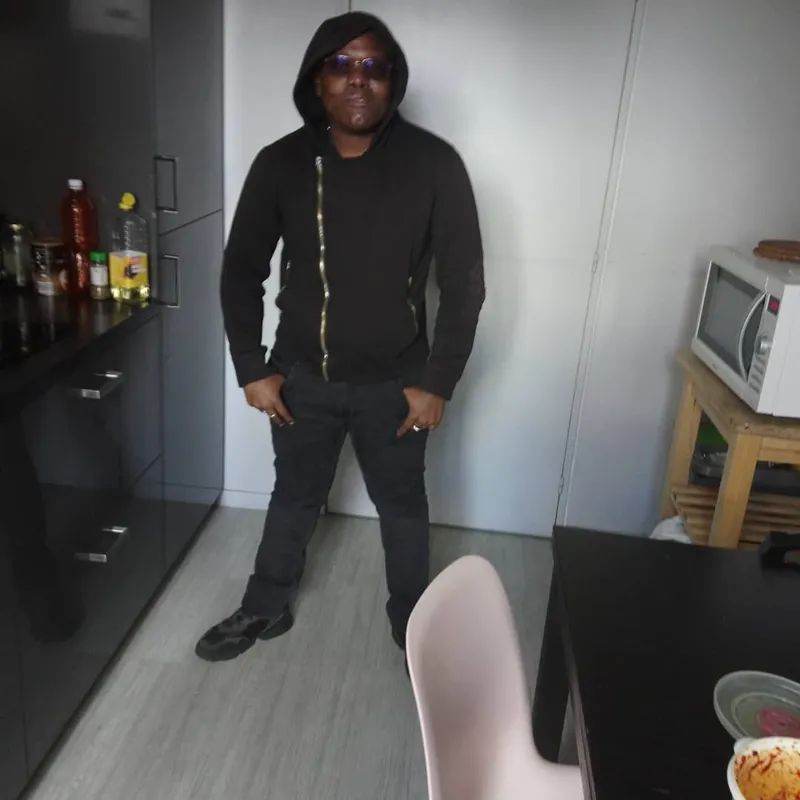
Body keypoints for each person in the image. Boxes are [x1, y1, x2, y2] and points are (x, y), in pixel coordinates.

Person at [196, 11, 484, 663]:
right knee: (294, 495)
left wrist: (437, 382)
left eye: (373, 66)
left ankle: (414, 625)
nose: (358, 79)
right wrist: (251, 367)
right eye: (342, 65)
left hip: (397, 386)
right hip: (302, 379)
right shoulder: (281, 163)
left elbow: (465, 282)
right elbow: (241, 270)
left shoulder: (434, 164)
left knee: (402, 506)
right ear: (317, 79)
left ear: (393, 80)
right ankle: (265, 606)